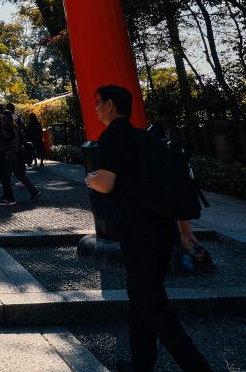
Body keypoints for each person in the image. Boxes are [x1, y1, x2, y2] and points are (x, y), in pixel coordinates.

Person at [86, 84, 212, 372]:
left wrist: (89, 178)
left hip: (137, 229)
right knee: (140, 295)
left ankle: (198, 366)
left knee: (153, 306)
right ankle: (141, 363)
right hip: (162, 227)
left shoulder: (112, 138)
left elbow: (106, 182)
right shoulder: (144, 138)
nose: (95, 108)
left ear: (110, 105)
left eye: (97, 102)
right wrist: (184, 229)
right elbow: (171, 185)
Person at [5, 109, 41, 202]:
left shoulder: (9, 129)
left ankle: (8, 197)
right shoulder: (16, 127)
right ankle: (34, 192)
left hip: (11, 155)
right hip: (17, 155)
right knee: (20, 175)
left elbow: (10, 142)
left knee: (7, 177)